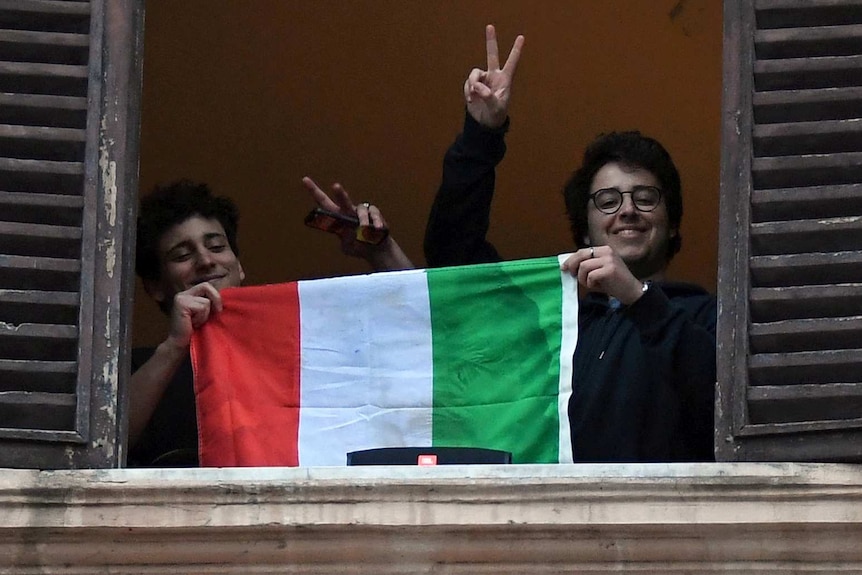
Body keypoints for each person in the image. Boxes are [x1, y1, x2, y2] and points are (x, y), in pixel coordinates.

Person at [424, 25, 716, 462]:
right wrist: (481, 134)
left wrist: (639, 300)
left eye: (646, 197)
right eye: (608, 201)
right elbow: (453, 253)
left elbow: (720, 396)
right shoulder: (557, 324)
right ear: (585, 230)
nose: (628, 210)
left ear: (672, 225)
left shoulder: (704, 316)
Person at [129, 177, 413, 467]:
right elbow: (103, 442)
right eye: (183, 255)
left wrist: (381, 252)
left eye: (216, 246)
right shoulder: (140, 371)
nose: (206, 261)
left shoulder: (302, 348)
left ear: (239, 267)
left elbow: (422, 343)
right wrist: (175, 346)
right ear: (155, 286)